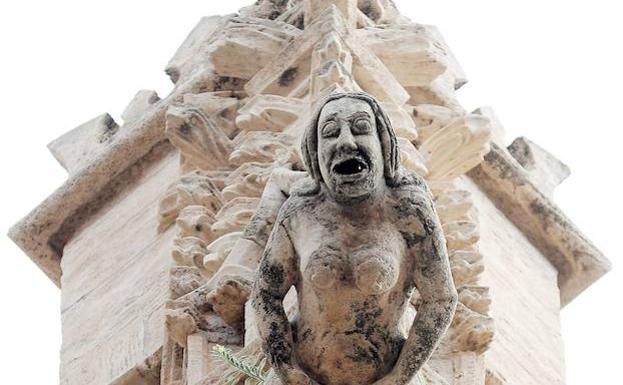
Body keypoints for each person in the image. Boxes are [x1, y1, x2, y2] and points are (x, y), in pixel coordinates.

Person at [252, 92, 457, 385]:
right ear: (315, 152)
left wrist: (399, 377)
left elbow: (441, 298)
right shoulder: (300, 212)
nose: (346, 142)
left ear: (383, 144)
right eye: (330, 133)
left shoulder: (408, 210)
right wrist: (290, 372)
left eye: (361, 128)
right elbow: (265, 295)